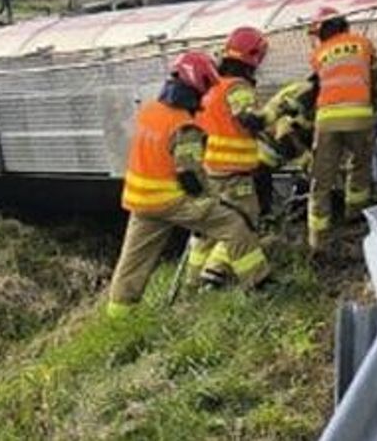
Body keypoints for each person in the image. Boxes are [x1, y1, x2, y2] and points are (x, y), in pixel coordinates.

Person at [105, 52, 271, 318]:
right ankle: (259, 284)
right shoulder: (184, 126)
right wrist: (213, 200)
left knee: (133, 262)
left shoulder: (149, 111)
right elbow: (190, 177)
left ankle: (118, 318)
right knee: (234, 224)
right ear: (197, 86)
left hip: (140, 202)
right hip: (171, 201)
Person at [186, 27, 280, 286]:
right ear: (254, 56)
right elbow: (250, 120)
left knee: (207, 228)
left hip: (209, 169)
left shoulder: (210, 87)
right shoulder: (238, 87)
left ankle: (192, 280)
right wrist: (276, 110)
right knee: (242, 221)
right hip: (233, 171)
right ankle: (216, 274)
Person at [306, 13, 377, 253]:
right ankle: (355, 214)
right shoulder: (363, 44)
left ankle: (318, 237)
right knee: (360, 164)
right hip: (359, 116)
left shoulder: (318, 55)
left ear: (324, 31)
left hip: (327, 119)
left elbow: (316, 84)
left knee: (322, 178)